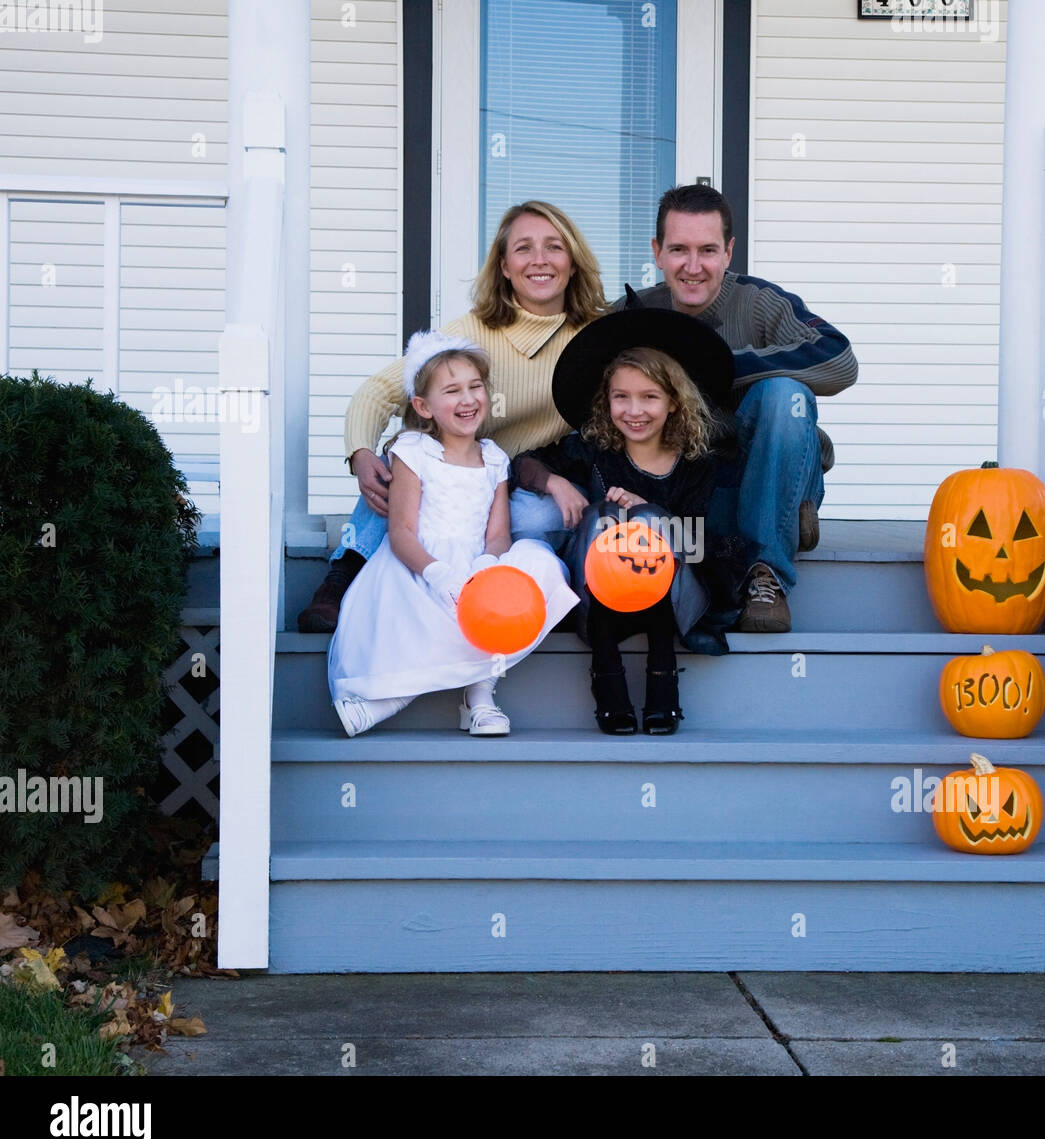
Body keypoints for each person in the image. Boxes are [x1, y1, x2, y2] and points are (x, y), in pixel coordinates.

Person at [298, 200, 605, 632]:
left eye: (554, 247)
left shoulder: (598, 334)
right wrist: (360, 453)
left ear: (573, 263)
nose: (539, 260)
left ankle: (525, 595)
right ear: (503, 266)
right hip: (463, 470)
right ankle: (343, 575)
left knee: (540, 519)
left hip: (535, 478)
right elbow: (377, 392)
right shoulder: (473, 330)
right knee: (398, 462)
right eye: (523, 249)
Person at [611, 184, 858, 633]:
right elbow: (587, 380)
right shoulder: (636, 313)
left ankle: (767, 575)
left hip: (759, 457)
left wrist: (719, 366)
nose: (693, 266)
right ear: (657, 252)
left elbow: (839, 360)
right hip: (694, 487)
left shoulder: (760, 302)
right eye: (678, 250)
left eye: (707, 250)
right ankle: (785, 511)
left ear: (728, 251)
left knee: (787, 396)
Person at [328, 331, 578, 737]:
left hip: (477, 563)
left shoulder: (495, 458)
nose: (467, 399)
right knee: (431, 614)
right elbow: (401, 530)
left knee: (534, 567)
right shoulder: (413, 451)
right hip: (421, 566)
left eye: (475, 387)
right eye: (452, 391)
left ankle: (479, 696)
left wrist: (485, 568)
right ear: (423, 406)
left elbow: (497, 535)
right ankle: (390, 697)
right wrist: (438, 573)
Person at [512, 309, 735, 734]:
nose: (635, 411)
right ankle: (606, 672)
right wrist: (555, 481)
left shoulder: (698, 462)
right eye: (621, 397)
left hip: (673, 594)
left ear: (673, 402)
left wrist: (649, 513)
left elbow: (704, 545)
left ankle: (663, 672)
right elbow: (525, 464)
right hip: (603, 602)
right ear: (606, 400)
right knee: (602, 518)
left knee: (645, 521)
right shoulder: (597, 448)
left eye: (649, 397)